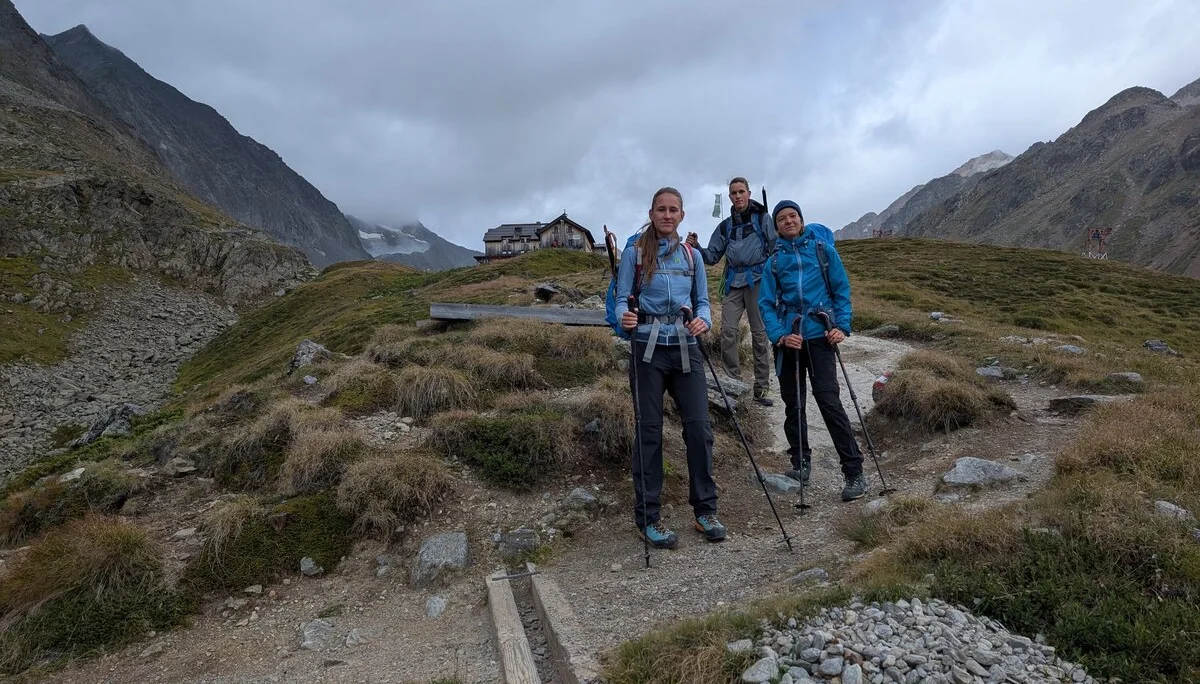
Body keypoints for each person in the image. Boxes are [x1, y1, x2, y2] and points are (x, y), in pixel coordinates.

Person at [614, 187, 726, 548]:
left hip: (685, 348)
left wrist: (703, 322)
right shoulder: (634, 253)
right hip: (646, 347)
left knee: (699, 429)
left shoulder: (692, 257)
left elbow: (704, 303)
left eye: (673, 209)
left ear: (682, 215)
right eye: (661, 209)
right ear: (651, 214)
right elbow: (620, 299)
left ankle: (705, 511)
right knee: (649, 431)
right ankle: (648, 518)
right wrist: (624, 317)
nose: (666, 215)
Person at [758, 199, 869, 502]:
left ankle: (854, 470)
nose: (788, 221)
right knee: (793, 404)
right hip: (790, 340)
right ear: (777, 226)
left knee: (829, 402)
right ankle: (800, 463)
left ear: (802, 220)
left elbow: (840, 290)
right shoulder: (774, 262)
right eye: (782, 218)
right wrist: (780, 335)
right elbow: (766, 305)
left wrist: (841, 327)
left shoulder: (823, 251)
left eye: (793, 216)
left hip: (820, 336)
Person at [686, 177, 776, 407]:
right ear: (729, 197)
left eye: (741, 192)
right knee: (728, 331)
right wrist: (697, 248)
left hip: (758, 281)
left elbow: (776, 248)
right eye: (733, 193)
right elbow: (713, 256)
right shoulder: (725, 226)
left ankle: (762, 388)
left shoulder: (763, 218)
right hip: (734, 282)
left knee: (759, 335)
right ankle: (731, 382)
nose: (737, 196)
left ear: (748, 193)